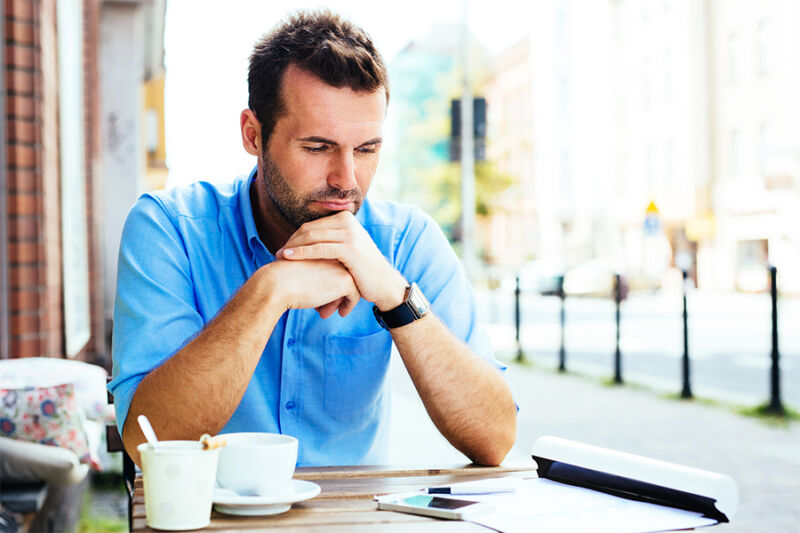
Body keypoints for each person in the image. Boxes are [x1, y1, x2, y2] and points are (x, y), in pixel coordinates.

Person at [108, 9, 516, 468]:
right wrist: (269, 291)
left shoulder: (406, 241)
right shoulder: (169, 229)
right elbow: (151, 442)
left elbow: (495, 438)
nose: (347, 180)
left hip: (352, 516)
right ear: (252, 134)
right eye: (318, 147)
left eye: (366, 149)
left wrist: (394, 297)